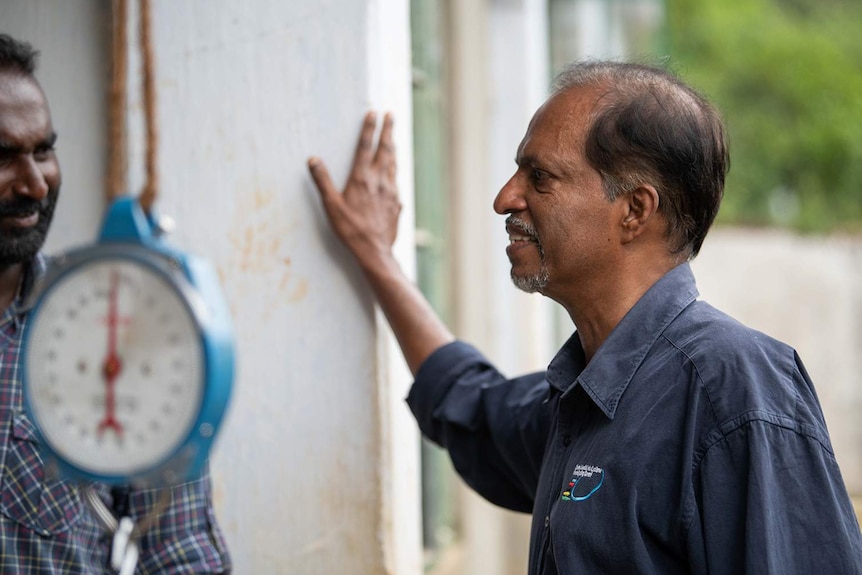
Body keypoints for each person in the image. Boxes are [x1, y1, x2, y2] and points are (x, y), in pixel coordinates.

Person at [308, 60, 862, 573]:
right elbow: (471, 405)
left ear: (635, 211)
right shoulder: (580, 402)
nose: (504, 199)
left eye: (539, 177)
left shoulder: (736, 390)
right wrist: (378, 259)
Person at [0, 34, 231, 573]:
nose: (34, 184)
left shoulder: (121, 328)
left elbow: (179, 552)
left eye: (44, 150)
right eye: (3, 157)